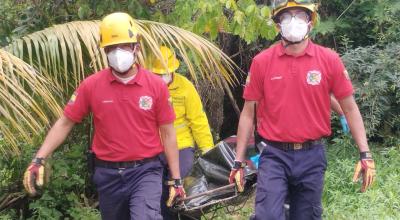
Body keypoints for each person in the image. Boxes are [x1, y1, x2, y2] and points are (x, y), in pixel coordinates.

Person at [22, 12, 185, 220]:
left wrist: (176, 179)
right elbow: (65, 123)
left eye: (124, 45)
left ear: (137, 46)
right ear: (104, 50)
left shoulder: (156, 86)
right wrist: (39, 158)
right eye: (111, 48)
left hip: (146, 171)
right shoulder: (92, 86)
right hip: (108, 176)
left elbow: (169, 133)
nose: (118, 52)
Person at [228, 1, 376, 219]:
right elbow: (248, 114)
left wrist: (365, 153)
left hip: (312, 155)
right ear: (278, 24)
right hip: (274, 155)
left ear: (310, 21)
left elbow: (350, 108)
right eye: (287, 16)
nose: (294, 21)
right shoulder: (262, 62)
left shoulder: (329, 60)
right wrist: (238, 161)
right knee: (267, 215)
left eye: (300, 15)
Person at [149, 46, 214, 219]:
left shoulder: (185, 87)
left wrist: (209, 151)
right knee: (160, 194)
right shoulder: (146, 88)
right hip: (155, 148)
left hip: (182, 146)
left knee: (183, 189)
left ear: (173, 69)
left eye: (165, 73)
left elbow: (198, 120)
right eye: (157, 74)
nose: (162, 77)